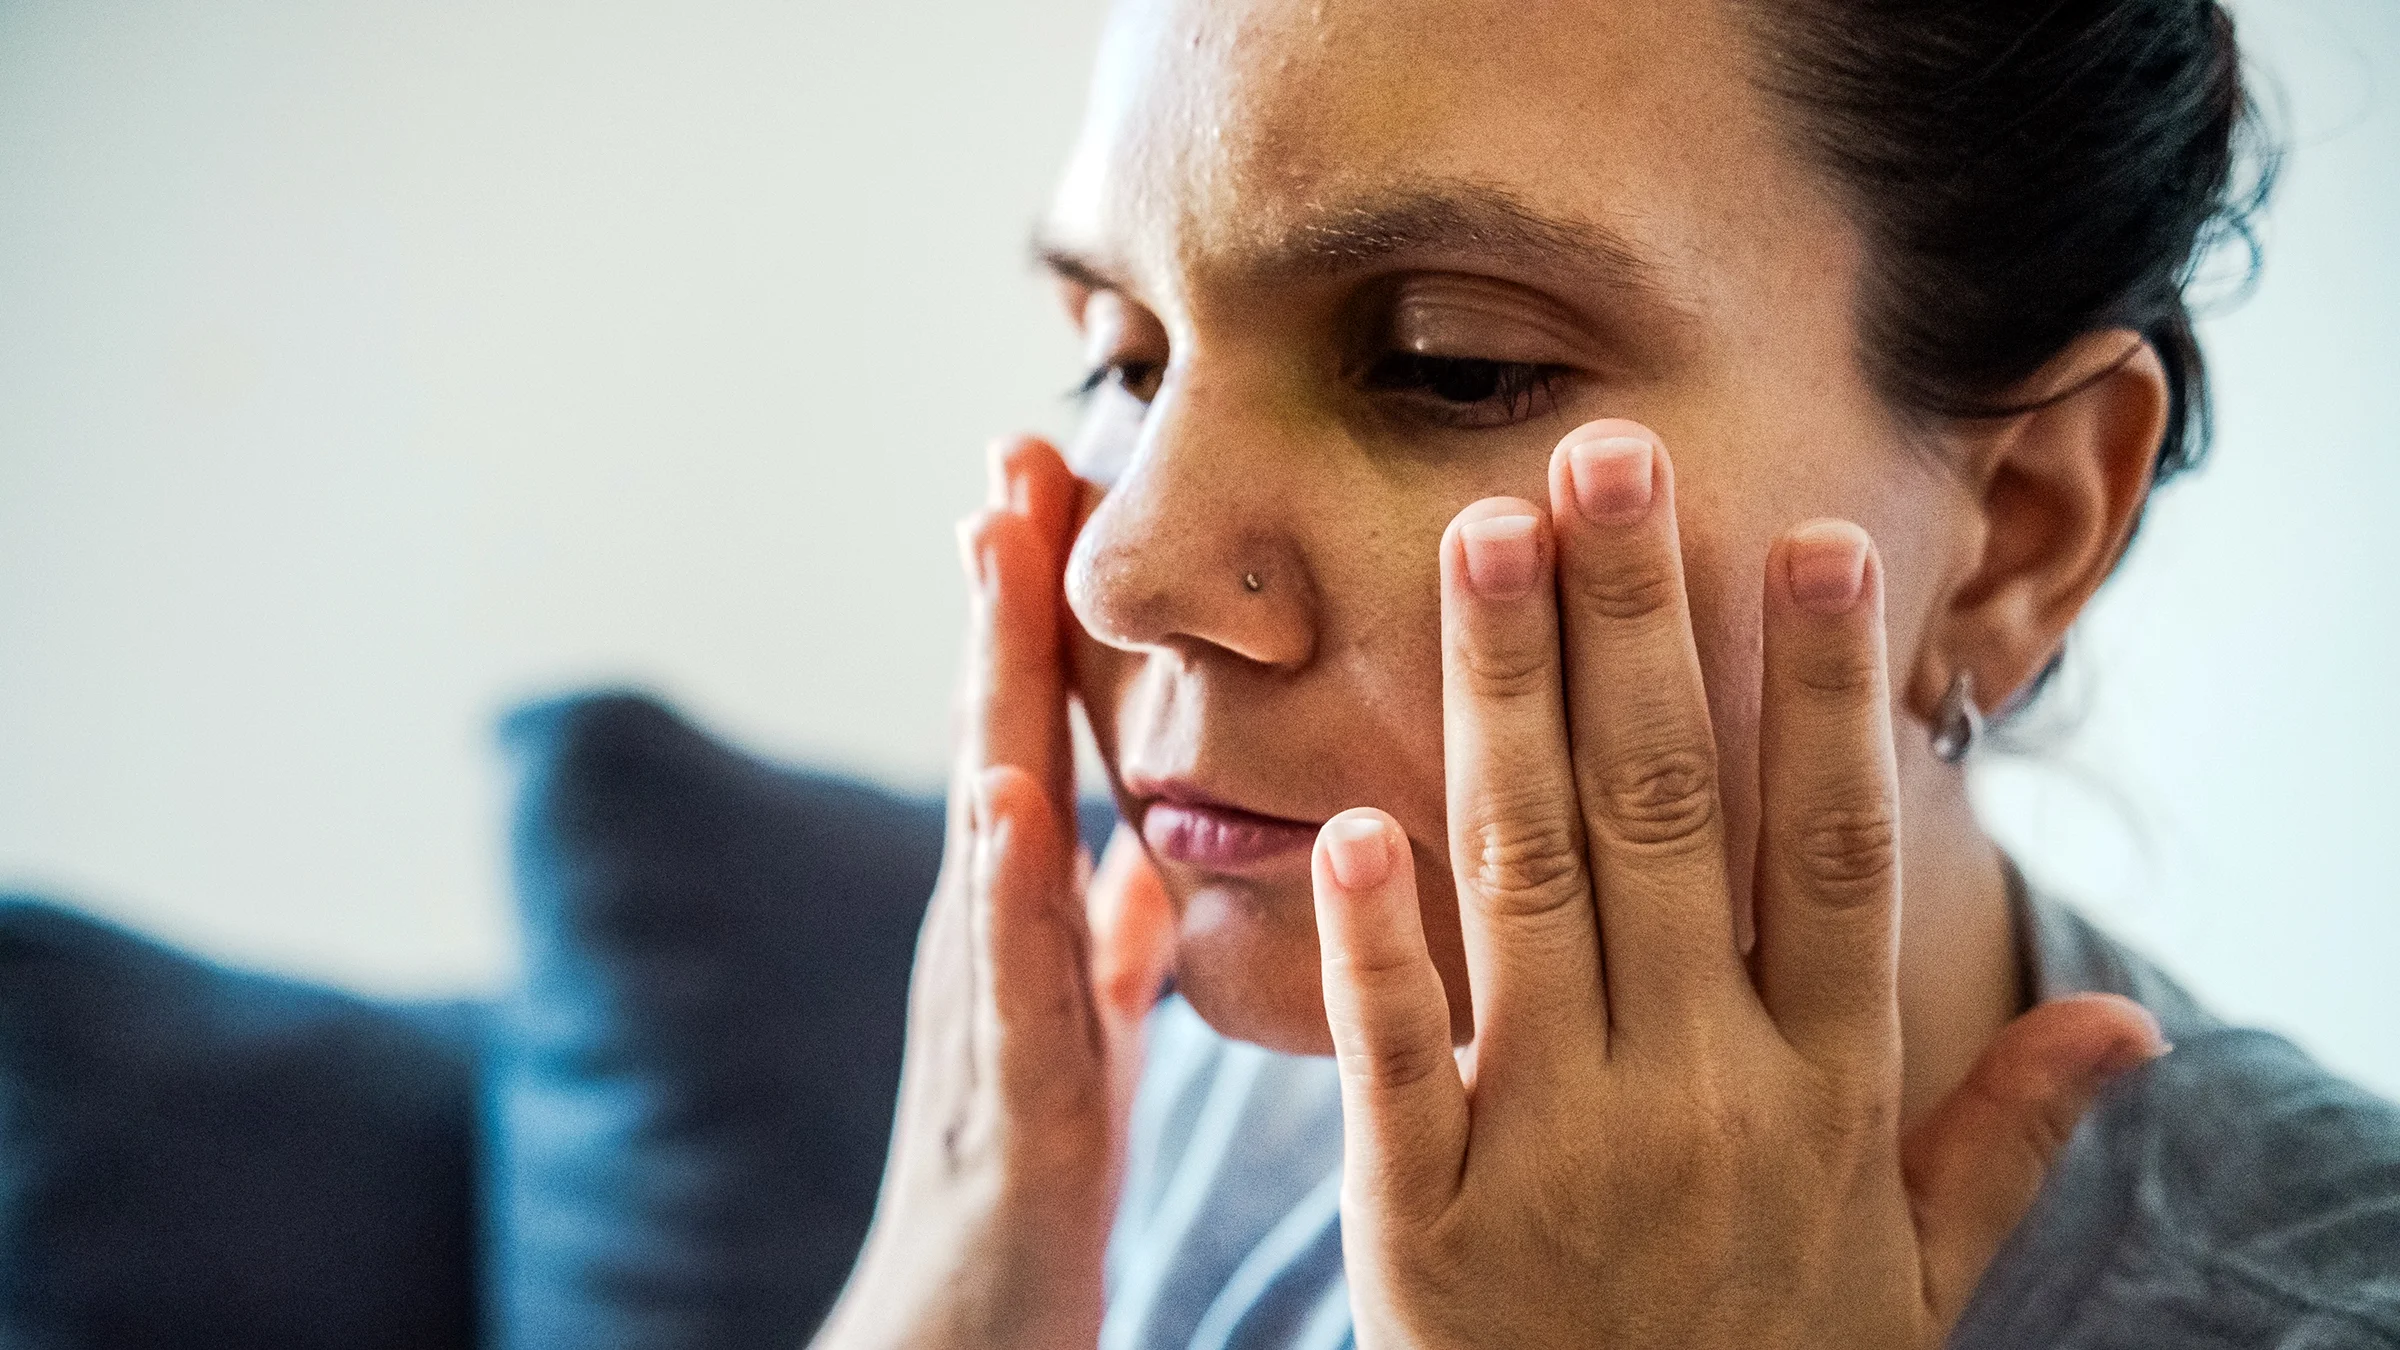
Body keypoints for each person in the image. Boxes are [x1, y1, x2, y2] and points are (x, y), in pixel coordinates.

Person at [814, 0, 2400, 1345]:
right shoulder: (1185, 1080)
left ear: (2019, 534)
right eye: (1124, 356)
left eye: (1452, 361)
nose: (1121, 566)